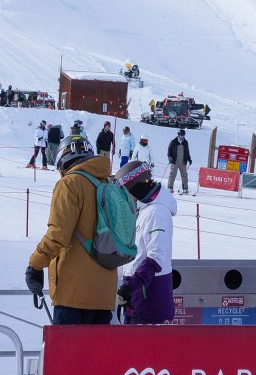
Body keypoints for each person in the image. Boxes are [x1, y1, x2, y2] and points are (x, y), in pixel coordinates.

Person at [27, 138, 120, 326]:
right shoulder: (110, 185)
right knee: (97, 354)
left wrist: (35, 265)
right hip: (104, 292)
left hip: (73, 293)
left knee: (68, 354)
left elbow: (58, 234)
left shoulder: (70, 183)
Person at [117, 159, 176, 324]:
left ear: (136, 187)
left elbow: (157, 256)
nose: (126, 198)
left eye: (127, 192)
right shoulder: (146, 209)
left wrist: (131, 285)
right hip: (139, 298)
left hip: (149, 299)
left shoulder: (157, 212)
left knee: (142, 348)